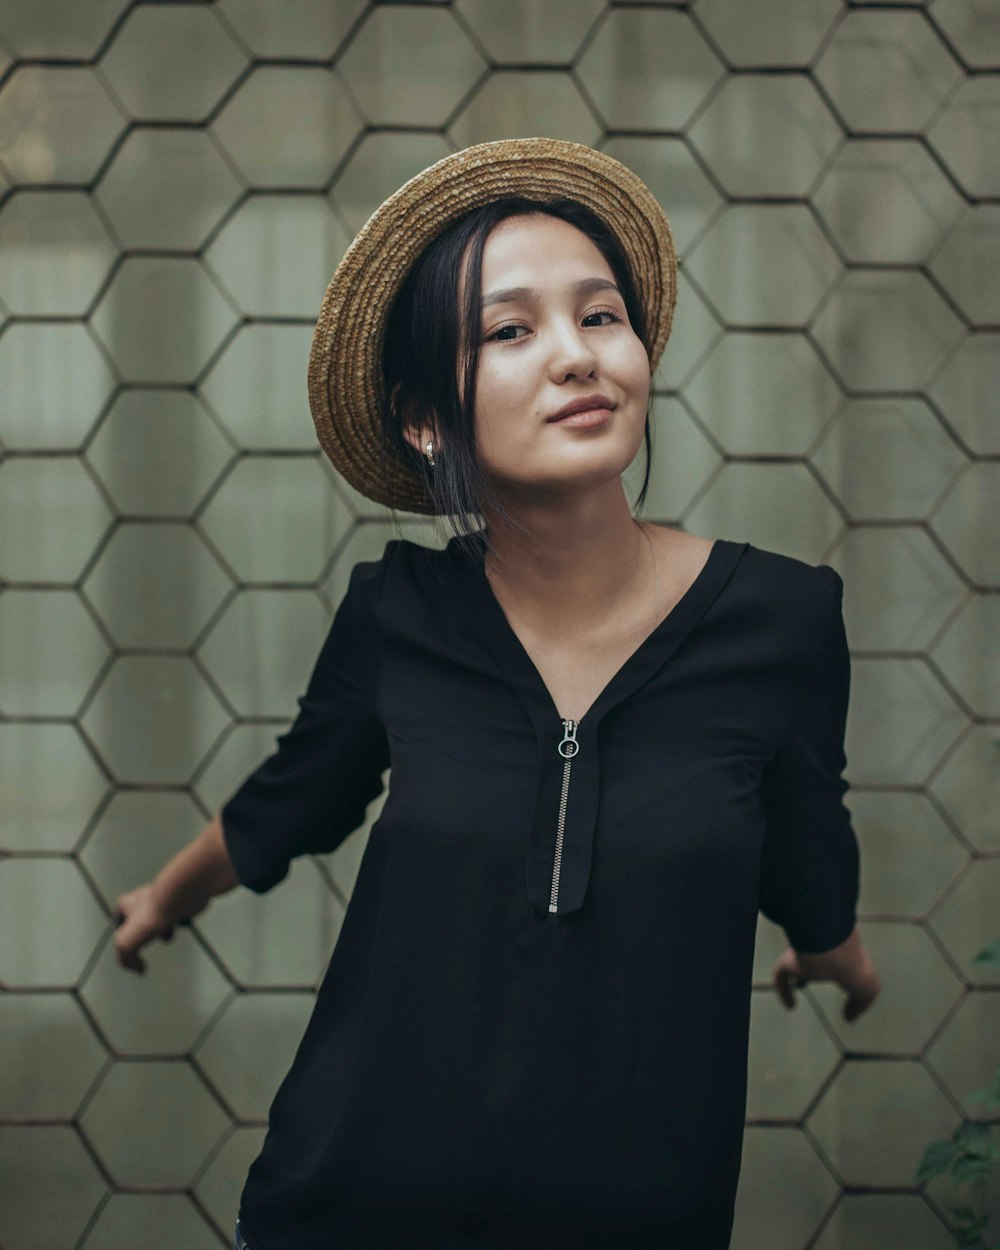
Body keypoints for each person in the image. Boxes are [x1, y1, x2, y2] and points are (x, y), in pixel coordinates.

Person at [114, 138, 881, 1250]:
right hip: (355, 1199)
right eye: (511, 330)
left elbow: (806, 834)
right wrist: (166, 897)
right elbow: (296, 795)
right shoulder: (399, 611)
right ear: (428, 417)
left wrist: (834, 946)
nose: (576, 355)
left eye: (601, 316)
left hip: (636, 1210)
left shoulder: (783, 618)